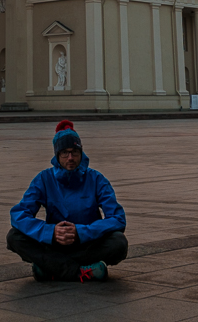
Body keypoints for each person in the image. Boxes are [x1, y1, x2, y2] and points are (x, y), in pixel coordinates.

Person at [7, 120, 127, 282]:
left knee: (118, 242)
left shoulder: (96, 179)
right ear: (57, 155)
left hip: (87, 243)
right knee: (14, 236)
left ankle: (52, 268)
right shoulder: (44, 179)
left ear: (81, 153)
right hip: (54, 244)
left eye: (74, 152)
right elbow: (19, 214)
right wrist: (51, 233)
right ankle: (81, 272)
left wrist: (81, 232)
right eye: (64, 153)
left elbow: (118, 219)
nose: (70, 158)